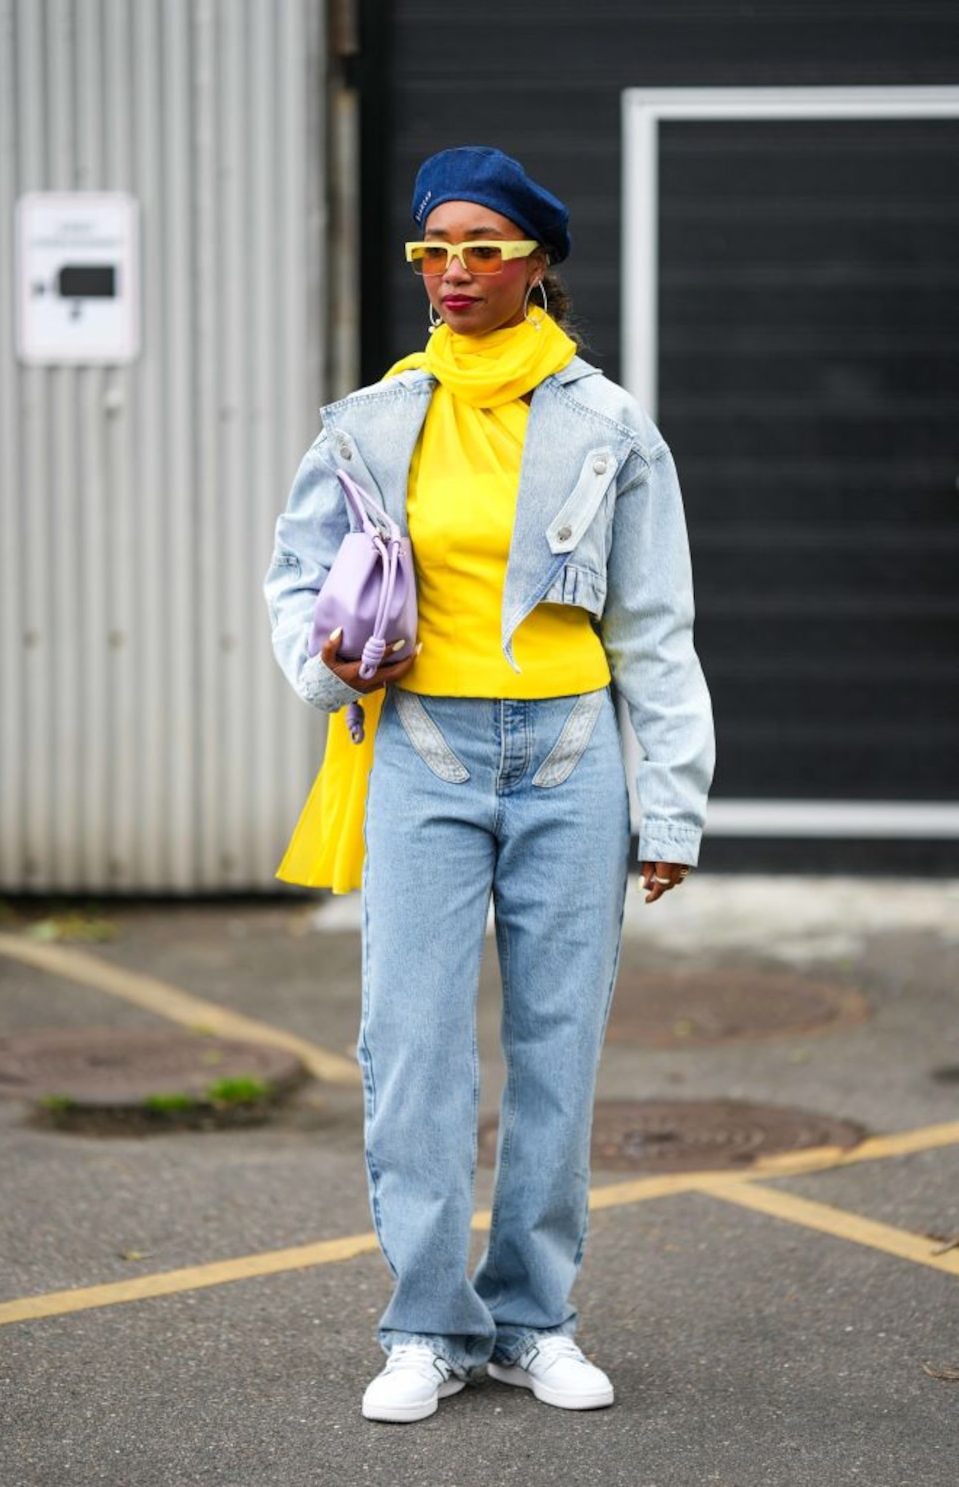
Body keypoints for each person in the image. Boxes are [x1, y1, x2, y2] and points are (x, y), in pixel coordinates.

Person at [265, 146, 714, 1423]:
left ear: (535, 263)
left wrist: (668, 802)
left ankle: (532, 1318)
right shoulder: (368, 419)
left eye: (480, 247)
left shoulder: (606, 422)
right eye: (431, 250)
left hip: (571, 756)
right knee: (409, 1047)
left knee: (555, 1049)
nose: (451, 271)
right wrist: (324, 655)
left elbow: (654, 625)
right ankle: (426, 1325)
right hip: (420, 749)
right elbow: (295, 580)